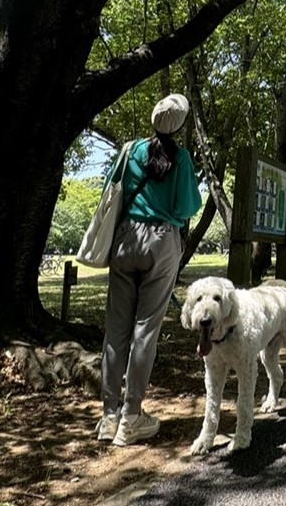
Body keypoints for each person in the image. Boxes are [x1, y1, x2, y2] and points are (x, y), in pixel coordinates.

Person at [97, 93, 204, 447]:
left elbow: (110, 192)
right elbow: (187, 206)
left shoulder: (131, 150)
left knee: (116, 330)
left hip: (125, 240)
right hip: (162, 241)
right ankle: (131, 417)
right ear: (181, 124)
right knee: (145, 331)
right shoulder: (182, 158)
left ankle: (108, 417)